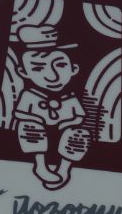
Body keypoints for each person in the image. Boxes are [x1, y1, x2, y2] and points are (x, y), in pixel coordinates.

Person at [10, 24, 93, 190]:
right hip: (39, 130)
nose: (52, 76)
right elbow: (20, 114)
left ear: (74, 68)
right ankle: (40, 165)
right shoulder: (30, 95)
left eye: (60, 65)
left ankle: (64, 169)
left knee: (79, 134)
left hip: (63, 131)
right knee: (29, 127)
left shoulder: (69, 98)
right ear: (23, 72)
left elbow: (79, 117)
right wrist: (37, 119)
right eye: (38, 68)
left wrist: (67, 123)